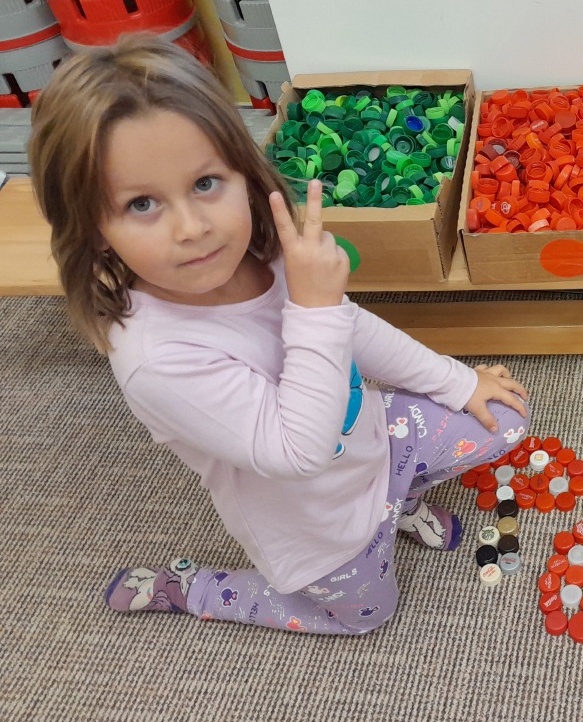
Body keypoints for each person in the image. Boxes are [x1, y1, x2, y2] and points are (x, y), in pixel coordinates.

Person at [29, 36, 530, 635]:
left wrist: (458, 380)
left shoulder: (262, 250)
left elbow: (353, 329)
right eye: (141, 203)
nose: (192, 228)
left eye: (206, 183)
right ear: (92, 228)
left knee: (503, 417)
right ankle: (196, 589)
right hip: (315, 525)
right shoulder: (155, 359)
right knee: (366, 618)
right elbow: (299, 454)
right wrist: (315, 306)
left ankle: (397, 502)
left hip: (373, 442)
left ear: (242, 172)